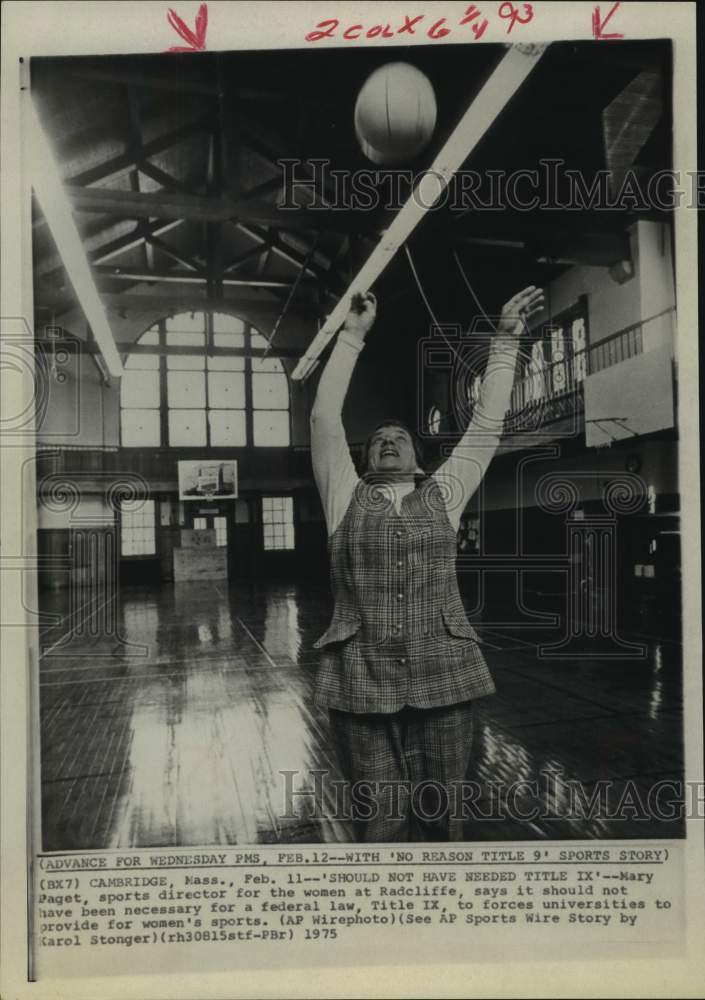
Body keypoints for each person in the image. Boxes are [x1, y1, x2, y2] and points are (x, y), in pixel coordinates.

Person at [310, 285, 544, 842]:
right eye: (378, 440)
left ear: (418, 458)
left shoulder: (446, 491)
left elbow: (486, 425)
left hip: (445, 674)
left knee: (442, 820)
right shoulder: (342, 492)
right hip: (359, 678)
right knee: (381, 823)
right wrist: (351, 336)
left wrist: (505, 344)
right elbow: (324, 418)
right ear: (364, 459)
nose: (388, 441)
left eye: (400, 438)